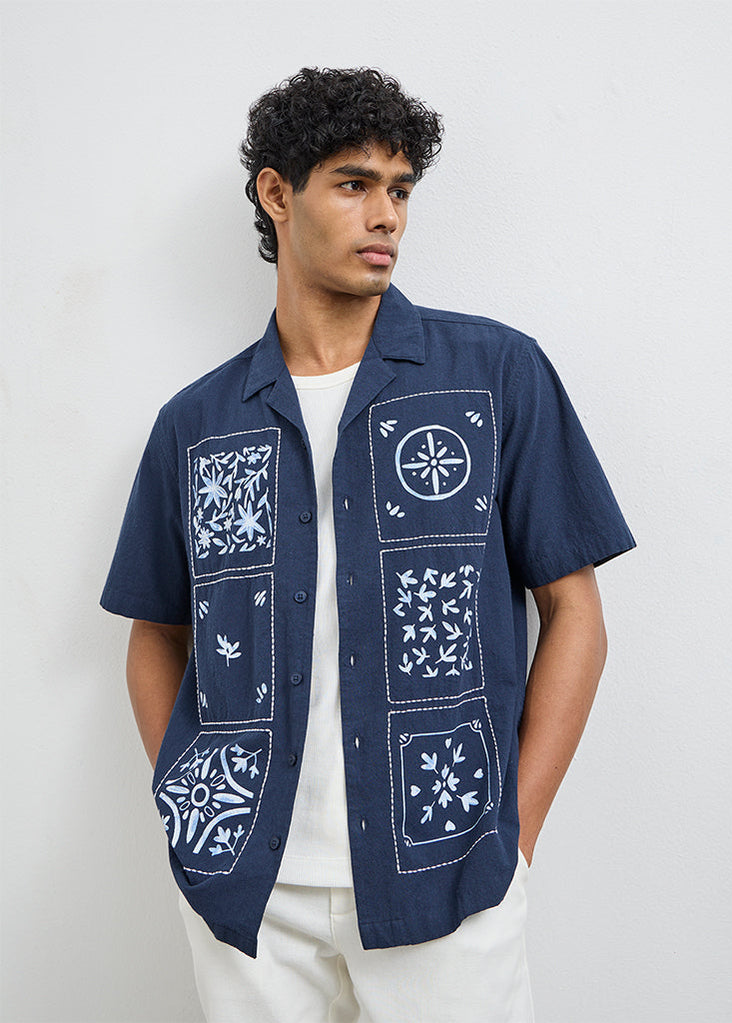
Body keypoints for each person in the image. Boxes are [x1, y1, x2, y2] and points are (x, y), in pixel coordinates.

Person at [101, 66, 635, 1023]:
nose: (385, 214)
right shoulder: (197, 423)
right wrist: (194, 802)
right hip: (249, 893)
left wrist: (512, 836)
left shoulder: (492, 378)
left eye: (399, 189)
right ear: (277, 193)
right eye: (353, 184)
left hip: (446, 873)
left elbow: (575, 613)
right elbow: (155, 631)